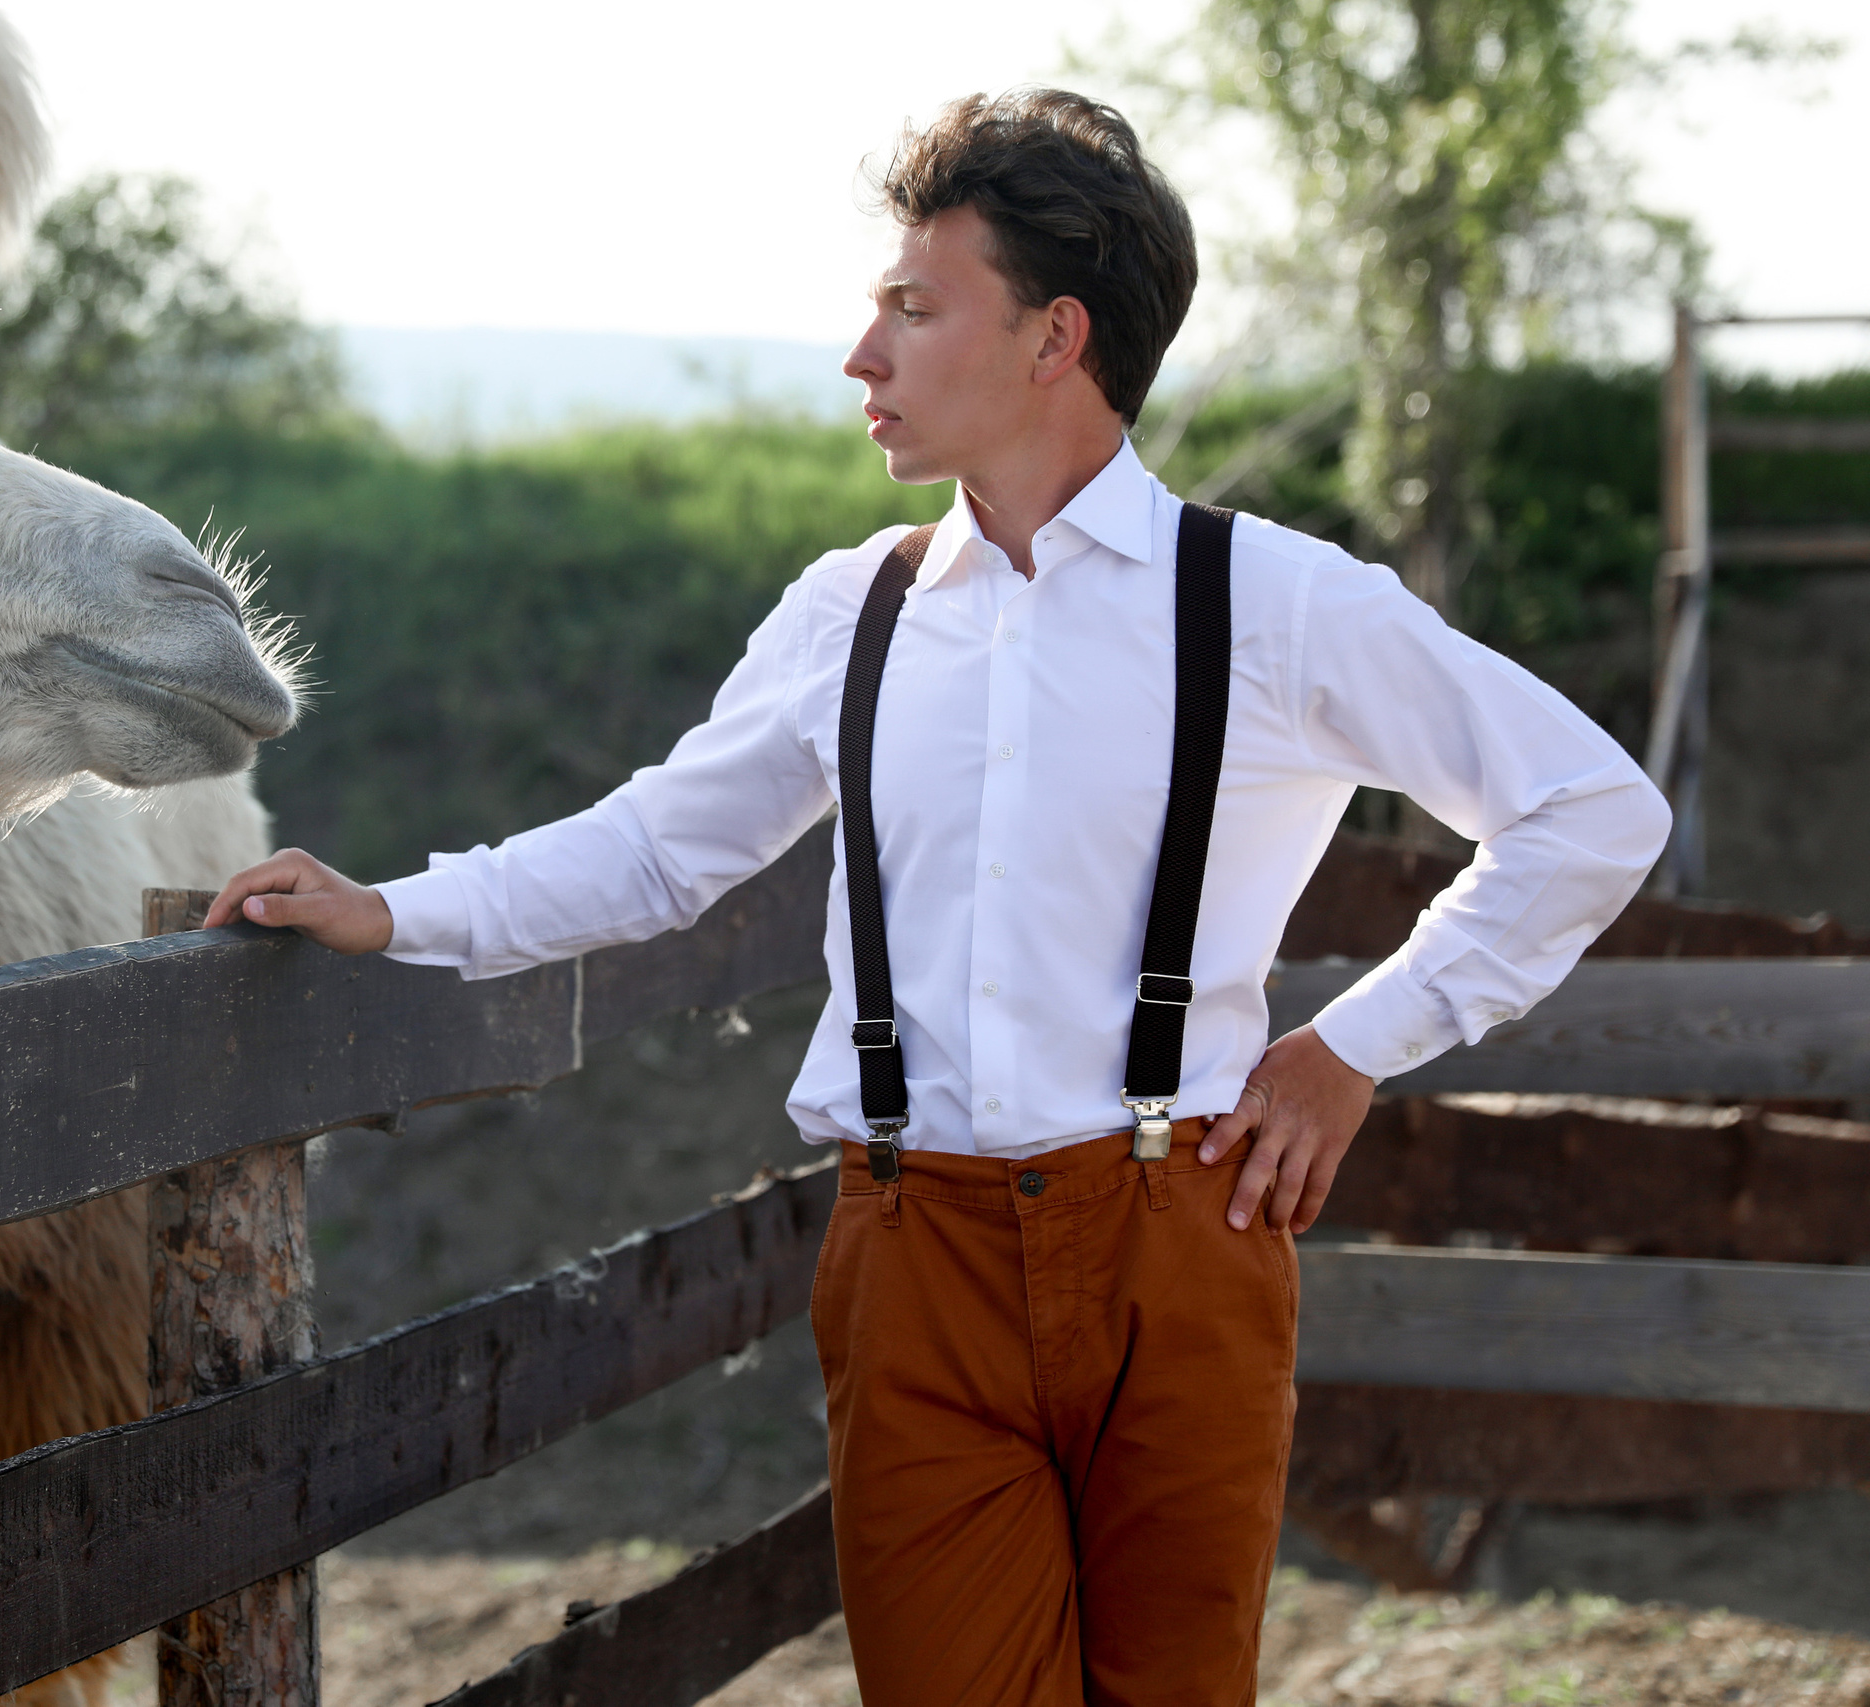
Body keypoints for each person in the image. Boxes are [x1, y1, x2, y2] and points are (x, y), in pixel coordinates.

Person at [208, 89, 1670, 1707]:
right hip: (914, 1253)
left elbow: (1590, 808)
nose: (863, 354)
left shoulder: (1269, 600)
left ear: (1055, 338)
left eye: (913, 307)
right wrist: (396, 909)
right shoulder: (860, 610)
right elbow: (659, 847)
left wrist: (1357, 1046)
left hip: (1178, 1244)